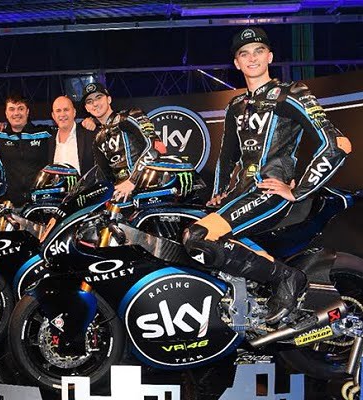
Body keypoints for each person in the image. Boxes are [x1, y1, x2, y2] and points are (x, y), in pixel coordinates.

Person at [182, 27, 352, 324]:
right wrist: (219, 193)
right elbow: (227, 156)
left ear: (270, 57)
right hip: (241, 194)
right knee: (194, 236)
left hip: (269, 193)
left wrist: (298, 190)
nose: (252, 58)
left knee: (198, 237)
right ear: (236, 63)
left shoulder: (291, 94)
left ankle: (287, 278)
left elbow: (338, 144)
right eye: (244, 53)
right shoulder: (236, 105)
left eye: (258, 51)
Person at [81, 82, 164, 202]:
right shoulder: (98, 140)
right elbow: (104, 176)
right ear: (87, 108)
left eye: (99, 97)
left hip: (149, 189)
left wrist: (132, 181)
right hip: (122, 197)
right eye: (89, 101)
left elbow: (156, 146)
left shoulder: (130, 116)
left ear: (109, 99)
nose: (95, 103)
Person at [48, 96, 94, 175]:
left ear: (74, 112)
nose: (62, 114)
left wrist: (93, 120)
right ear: (53, 116)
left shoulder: (89, 135)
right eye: (58, 111)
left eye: (66, 110)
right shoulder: (49, 141)